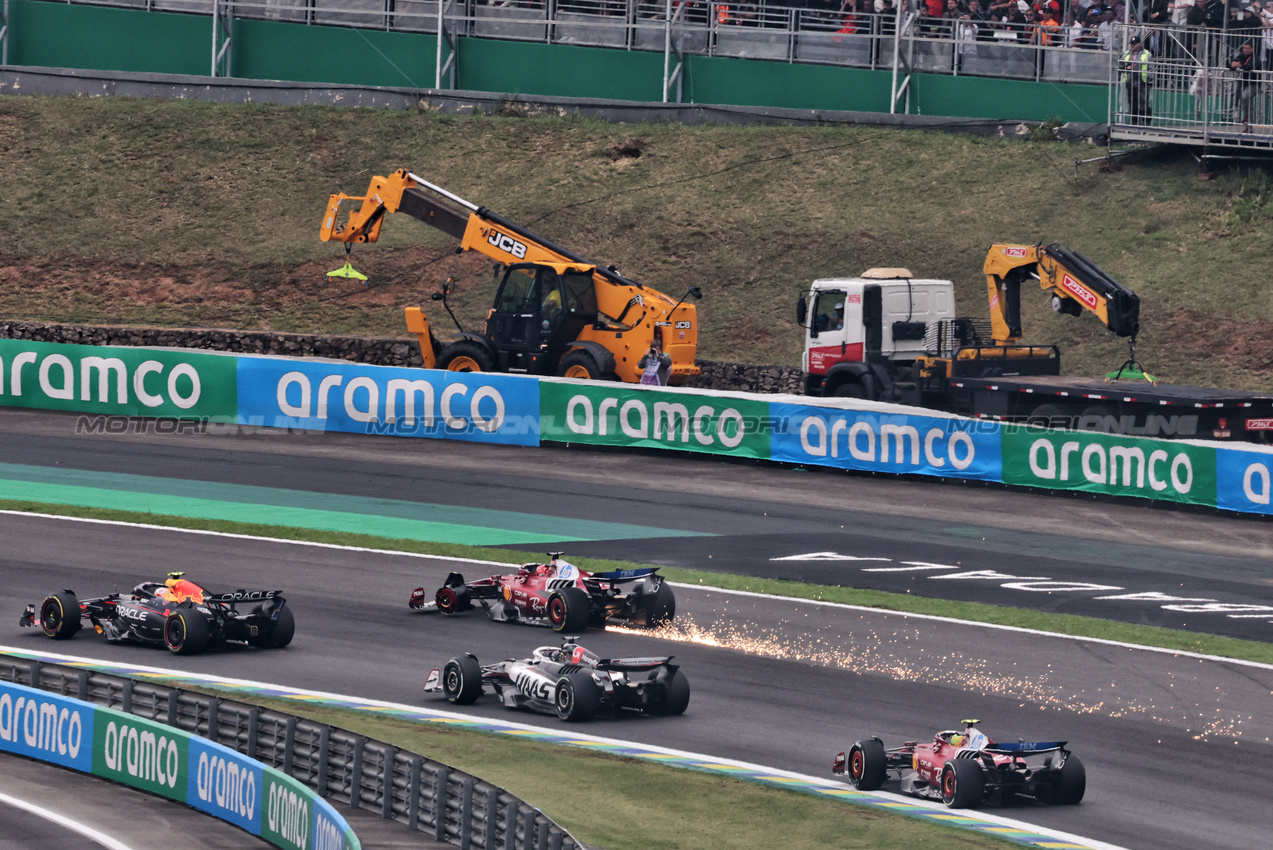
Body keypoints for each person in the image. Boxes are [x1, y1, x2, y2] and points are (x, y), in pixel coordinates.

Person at [1122, 34, 1153, 125]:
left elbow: (1151, 69)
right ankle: (1135, 120)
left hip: (1142, 82)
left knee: (1144, 102)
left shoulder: (1147, 54)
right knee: (1132, 102)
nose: (1132, 46)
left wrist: (1150, 82)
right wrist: (1126, 67)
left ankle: (1146, 120)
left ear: (1139, 44)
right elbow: (1120, 65)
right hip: (1130, 82)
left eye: (1135, 44)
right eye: (1131, 44)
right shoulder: (1126, 54)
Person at [1229, 40, 1259, 128]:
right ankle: (1247, 121)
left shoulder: (1255, 58)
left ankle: (1247, 117)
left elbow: (1250, 67)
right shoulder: (1241, 56)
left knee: (1245, 96)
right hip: (1243, 83)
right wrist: (1233, 65)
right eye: (1244, 48)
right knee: (1241, 98)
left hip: (1254, 83)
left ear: (1252, 49)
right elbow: (1230, 64)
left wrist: (1240, 65)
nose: (1245, 50)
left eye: (1248, 48)